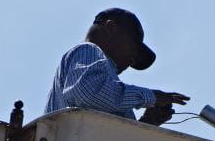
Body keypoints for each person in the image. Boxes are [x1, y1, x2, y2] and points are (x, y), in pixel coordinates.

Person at [44, 8, 190, 126]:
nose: (132, 60)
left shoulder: (105, 82)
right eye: (133, 48)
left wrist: (148, 123)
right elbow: (89, 93)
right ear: (111, 28)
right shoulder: (89, 50)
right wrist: (152, 96)